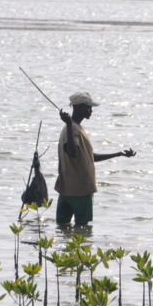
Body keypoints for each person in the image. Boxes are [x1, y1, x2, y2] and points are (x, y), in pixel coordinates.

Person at [55, 92, 136, 226]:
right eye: (88, 107)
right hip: (81, 190)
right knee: (82, 230)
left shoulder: (72, 129)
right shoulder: (72, 129)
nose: (91, 110)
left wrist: (118, 154)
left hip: (66, 189)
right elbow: (73, 153)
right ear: (78, 107)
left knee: (62, 228)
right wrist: (69, 125)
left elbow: (88, 157)